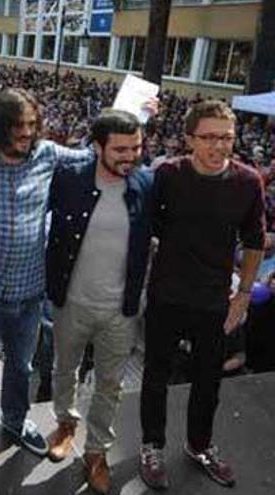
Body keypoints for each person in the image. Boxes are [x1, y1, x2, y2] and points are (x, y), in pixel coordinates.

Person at [0, 88, 94, 474]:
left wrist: (136, 112)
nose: (27, 133)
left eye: (32, 125)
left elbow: (94, 156)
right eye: (19, 126)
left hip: (30, 293)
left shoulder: (48, 154)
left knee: (22, 366)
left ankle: (15, 422)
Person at [139, 100, 265, 490]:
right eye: (209, 138)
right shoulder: (169, 175)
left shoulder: (248, 181)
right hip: (166, 294)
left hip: (214, 300)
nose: (219, 147)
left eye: (226, 137)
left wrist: (243, 293)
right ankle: (152, 446)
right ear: (189, 139)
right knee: (156, 376)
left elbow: (255, 240)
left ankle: (199, 445)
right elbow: (149, 228)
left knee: (208, 381)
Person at [44, 109, 153, 494]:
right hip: (70, 301)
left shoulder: (146, 184)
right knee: (65, 369)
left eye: (137, 147)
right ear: (97, 147)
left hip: (120, 310)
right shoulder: (69, 179)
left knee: (110, 384)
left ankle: (96, 451)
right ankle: (65, 424)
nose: (131, 156)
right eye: (121, 149)